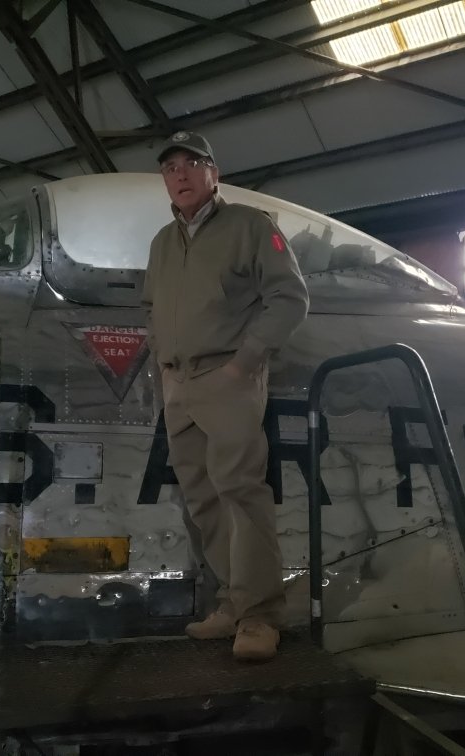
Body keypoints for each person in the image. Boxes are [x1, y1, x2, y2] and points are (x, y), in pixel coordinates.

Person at [141, 132, 309, 661]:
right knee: (201, 499)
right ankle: (233, 603)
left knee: (241, 492)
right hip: (179, 383)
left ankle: (261, 617)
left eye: (192, 163)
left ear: (213, 172)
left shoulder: (251, 227)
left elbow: (289, 297)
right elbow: (154, 309)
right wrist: (164, 370)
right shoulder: (163, 243)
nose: (181, 174)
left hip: (226, 376)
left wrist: (244, 363)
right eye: (171, 167)